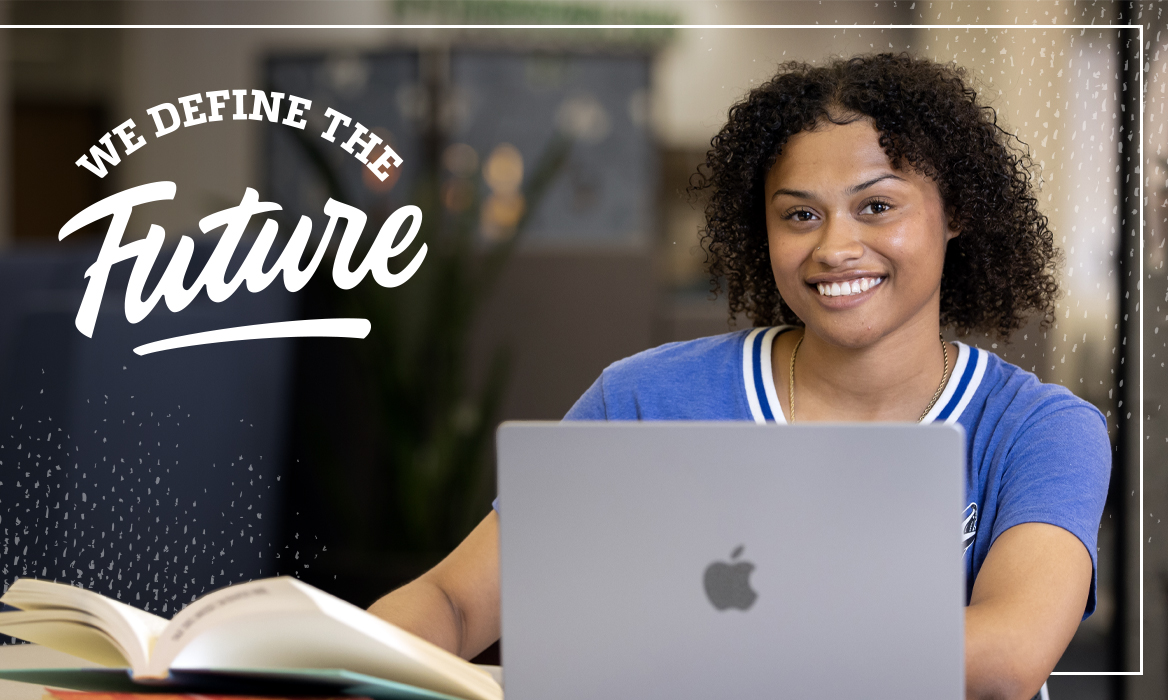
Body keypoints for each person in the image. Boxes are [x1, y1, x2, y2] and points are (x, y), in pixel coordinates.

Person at [367, 54, 1111, 700]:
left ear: (957, 213)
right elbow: (455, 604)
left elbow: (1001, 665)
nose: (835, 247)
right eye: (798, 216)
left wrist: (677, 642)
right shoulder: (642, 400)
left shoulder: (1040, 431)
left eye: (877, 206)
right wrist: (319, 662)